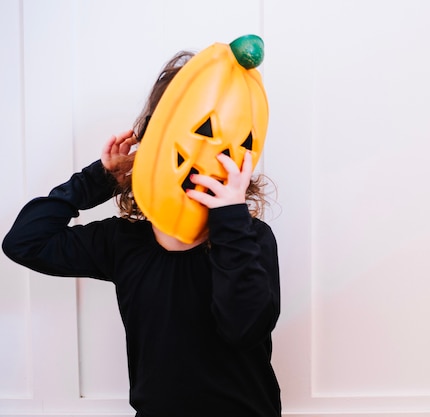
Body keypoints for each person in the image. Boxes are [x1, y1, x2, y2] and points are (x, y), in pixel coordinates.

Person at [2, 51, 281, 417]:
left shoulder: (252, 239)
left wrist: (230, 220)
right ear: (154, 140)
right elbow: (25, 242)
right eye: (198, 131)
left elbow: (244, 328)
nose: (205, 151)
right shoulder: (123, 242)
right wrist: (98, 180)